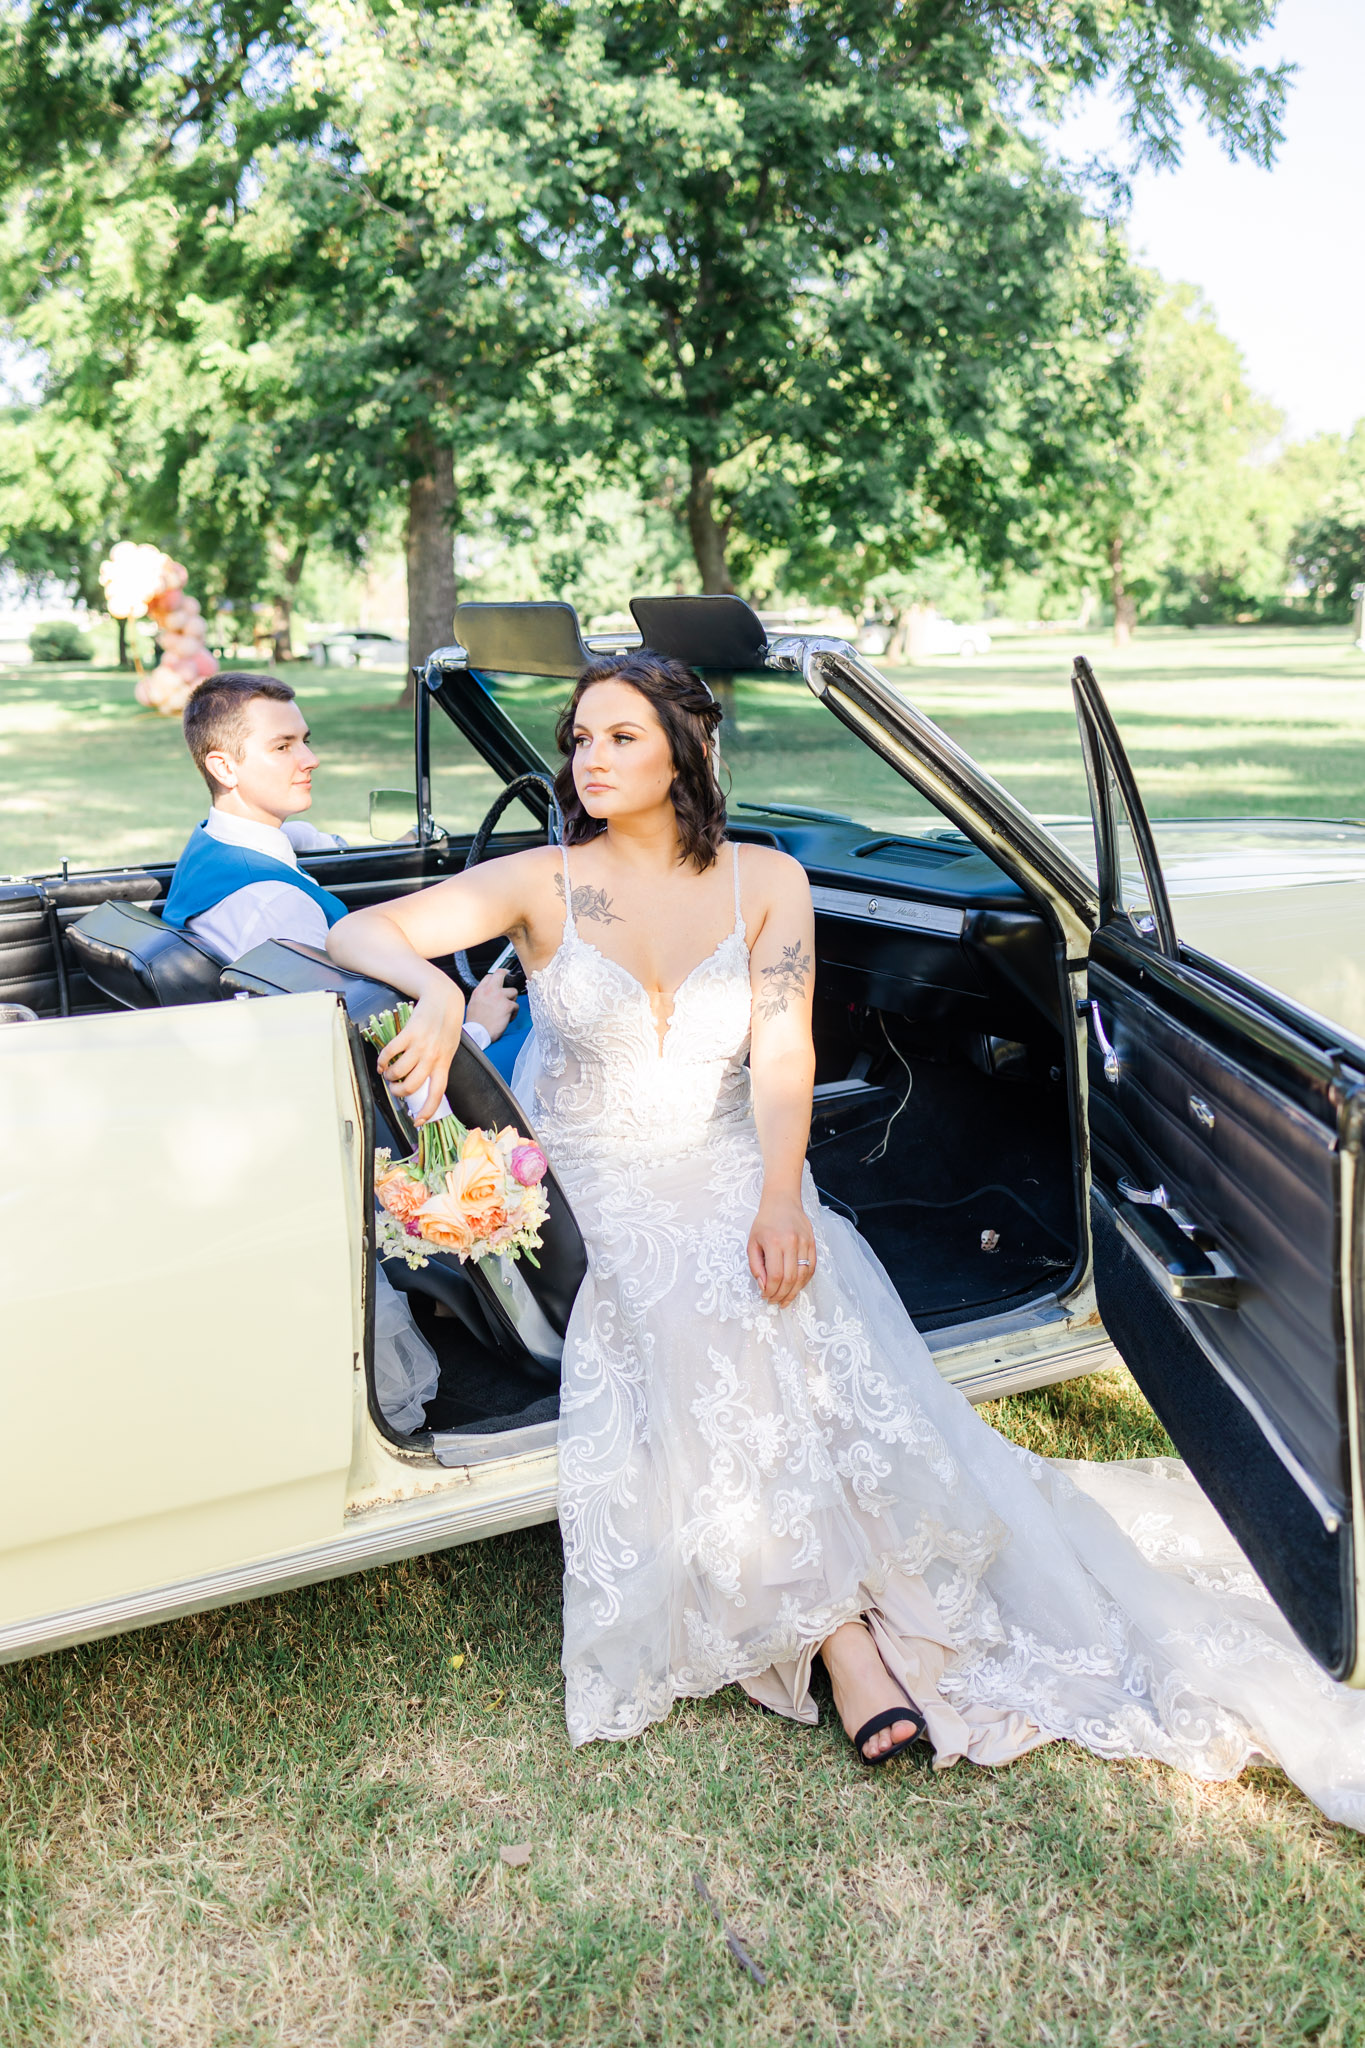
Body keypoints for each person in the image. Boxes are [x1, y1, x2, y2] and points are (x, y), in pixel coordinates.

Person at [328, 649, 1365, 1828]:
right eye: (579, 739)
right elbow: (359, 931)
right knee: (700, 1303)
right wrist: (438, 991)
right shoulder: (542, 878)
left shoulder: (768, 879)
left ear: (690, 750)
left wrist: (780, 1195)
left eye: (621, 736)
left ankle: (840, 1607)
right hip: (596, 1180)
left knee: (771, 1282)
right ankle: (843, 1640)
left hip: (732, 1158)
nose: (590, 759)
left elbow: (785, 1050)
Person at [162, 670, 517, 1059]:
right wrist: (477, 1027)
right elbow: (346, 1055)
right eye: (282, 747)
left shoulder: (211, 843)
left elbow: (304, 839)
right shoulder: (279, 908)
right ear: (224, 768)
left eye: (305, 741)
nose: (310, 760)